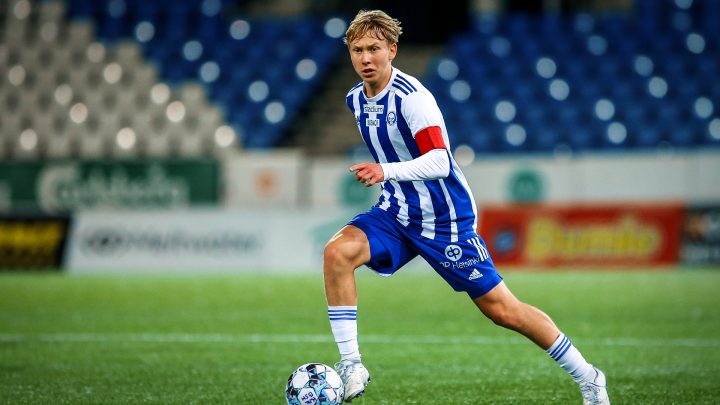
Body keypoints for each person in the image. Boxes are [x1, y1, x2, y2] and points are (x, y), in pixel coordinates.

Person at [323, 9, 610, 405]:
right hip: (397, 212)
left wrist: (384, 171)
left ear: (393, 49)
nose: (365, 58)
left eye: (374, 48)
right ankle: (352, 364)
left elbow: (440, 161)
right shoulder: (356, 98)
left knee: (502, 310)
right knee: (337, 253)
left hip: (445, 219)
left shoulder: (414, 99)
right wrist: (389, 179)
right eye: (357, 50)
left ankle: (590, 376)